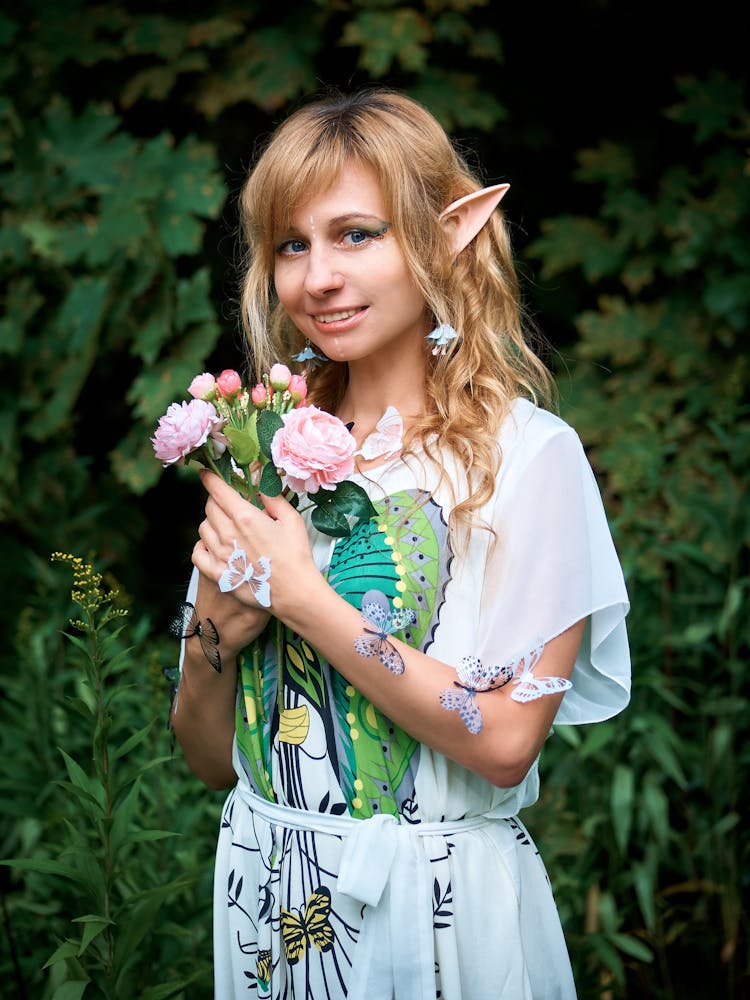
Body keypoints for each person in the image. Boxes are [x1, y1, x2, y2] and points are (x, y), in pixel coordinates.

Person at [170, 88, 630, 999]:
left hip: (434, 913)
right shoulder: (268, 449)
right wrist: (214, 632)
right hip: (270, 899)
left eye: (356, 235)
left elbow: (503, 744)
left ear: (438, 238)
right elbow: (211, 756)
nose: (317, 277)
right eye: (292, 245)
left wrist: (303, 597)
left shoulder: (528, 459)